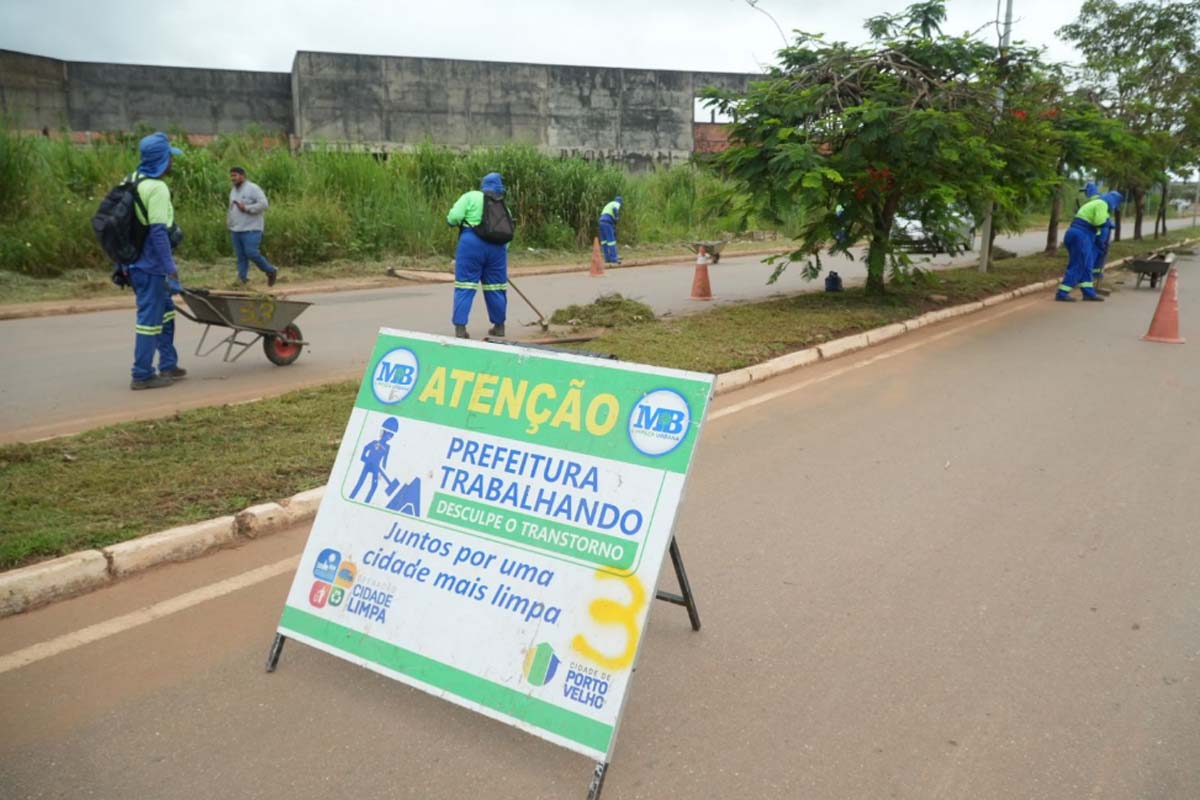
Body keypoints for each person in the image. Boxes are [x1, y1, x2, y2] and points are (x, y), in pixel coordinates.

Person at [125, 132, 186, 390]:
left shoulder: (132, 180)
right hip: (150, 266)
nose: (172, 161)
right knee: (149, 321)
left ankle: (168, 364)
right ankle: (142, 374)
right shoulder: (157, 188)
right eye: (169, 156)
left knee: (166, 313)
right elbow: (158, 232)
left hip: (133, 262)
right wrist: (170, 268)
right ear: (162, 159)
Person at [446, 172, 509, 338]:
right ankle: (499, 326)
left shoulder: (471, 196)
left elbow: (454, 217)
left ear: (483, 185)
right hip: (498, 250)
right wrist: (500, 253)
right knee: (496, 287)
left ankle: (460, 329)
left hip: (471, 245)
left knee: (465, 286)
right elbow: (507, 233)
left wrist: (451, 222)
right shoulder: (501, 204)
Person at [1056, 192, 1111, 302]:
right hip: (1082, 236)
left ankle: (1088, 293)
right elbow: (1099, 223)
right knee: (1079, 265)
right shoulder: (1102, 205)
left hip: (1078, 235)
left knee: (1087, 266)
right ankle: (1062, 293)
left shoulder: (1090, 205)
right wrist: (1106, 224)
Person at [227, 166, 277, 287]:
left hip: (251, 228)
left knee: (251, 253)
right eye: (231, 176)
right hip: (236, 228)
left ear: (242, 176)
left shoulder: (253, 188)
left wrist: (248, 208)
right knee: (241, 257)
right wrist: (229, 223)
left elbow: (264, 204)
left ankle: (270, 270)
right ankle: (241, 280)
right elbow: (232, 208)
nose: (233, 178)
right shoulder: (233, 190)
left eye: (235, 175)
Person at [1091, 191, 1123, 291]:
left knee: (1098, 261)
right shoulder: (1102, 206)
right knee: (1091, 260)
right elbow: (1102, 227)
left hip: (1097, 240)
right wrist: (1102, 243)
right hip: (1096, 240)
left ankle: (1096, 277)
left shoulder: (1103, 205)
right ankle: (1089, 282)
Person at [598, 195, 623, 264]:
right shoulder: (616, 204)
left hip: (601, 222)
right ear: (620, 202)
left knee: (604, 242)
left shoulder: (608, 204)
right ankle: (614, 258)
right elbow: (615, 209)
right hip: (607, 223)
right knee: (611, 241)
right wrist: (617, 217)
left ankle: (607, 258)